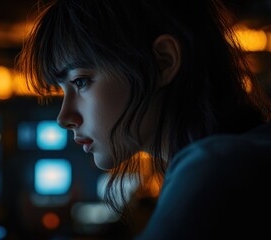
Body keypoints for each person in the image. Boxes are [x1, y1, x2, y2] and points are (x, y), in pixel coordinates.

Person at [16, 0, 271, 239]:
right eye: (63, 90)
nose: (63, 118)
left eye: (80, 82)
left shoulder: (214, 171)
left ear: (163, 61)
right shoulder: (241, 155)